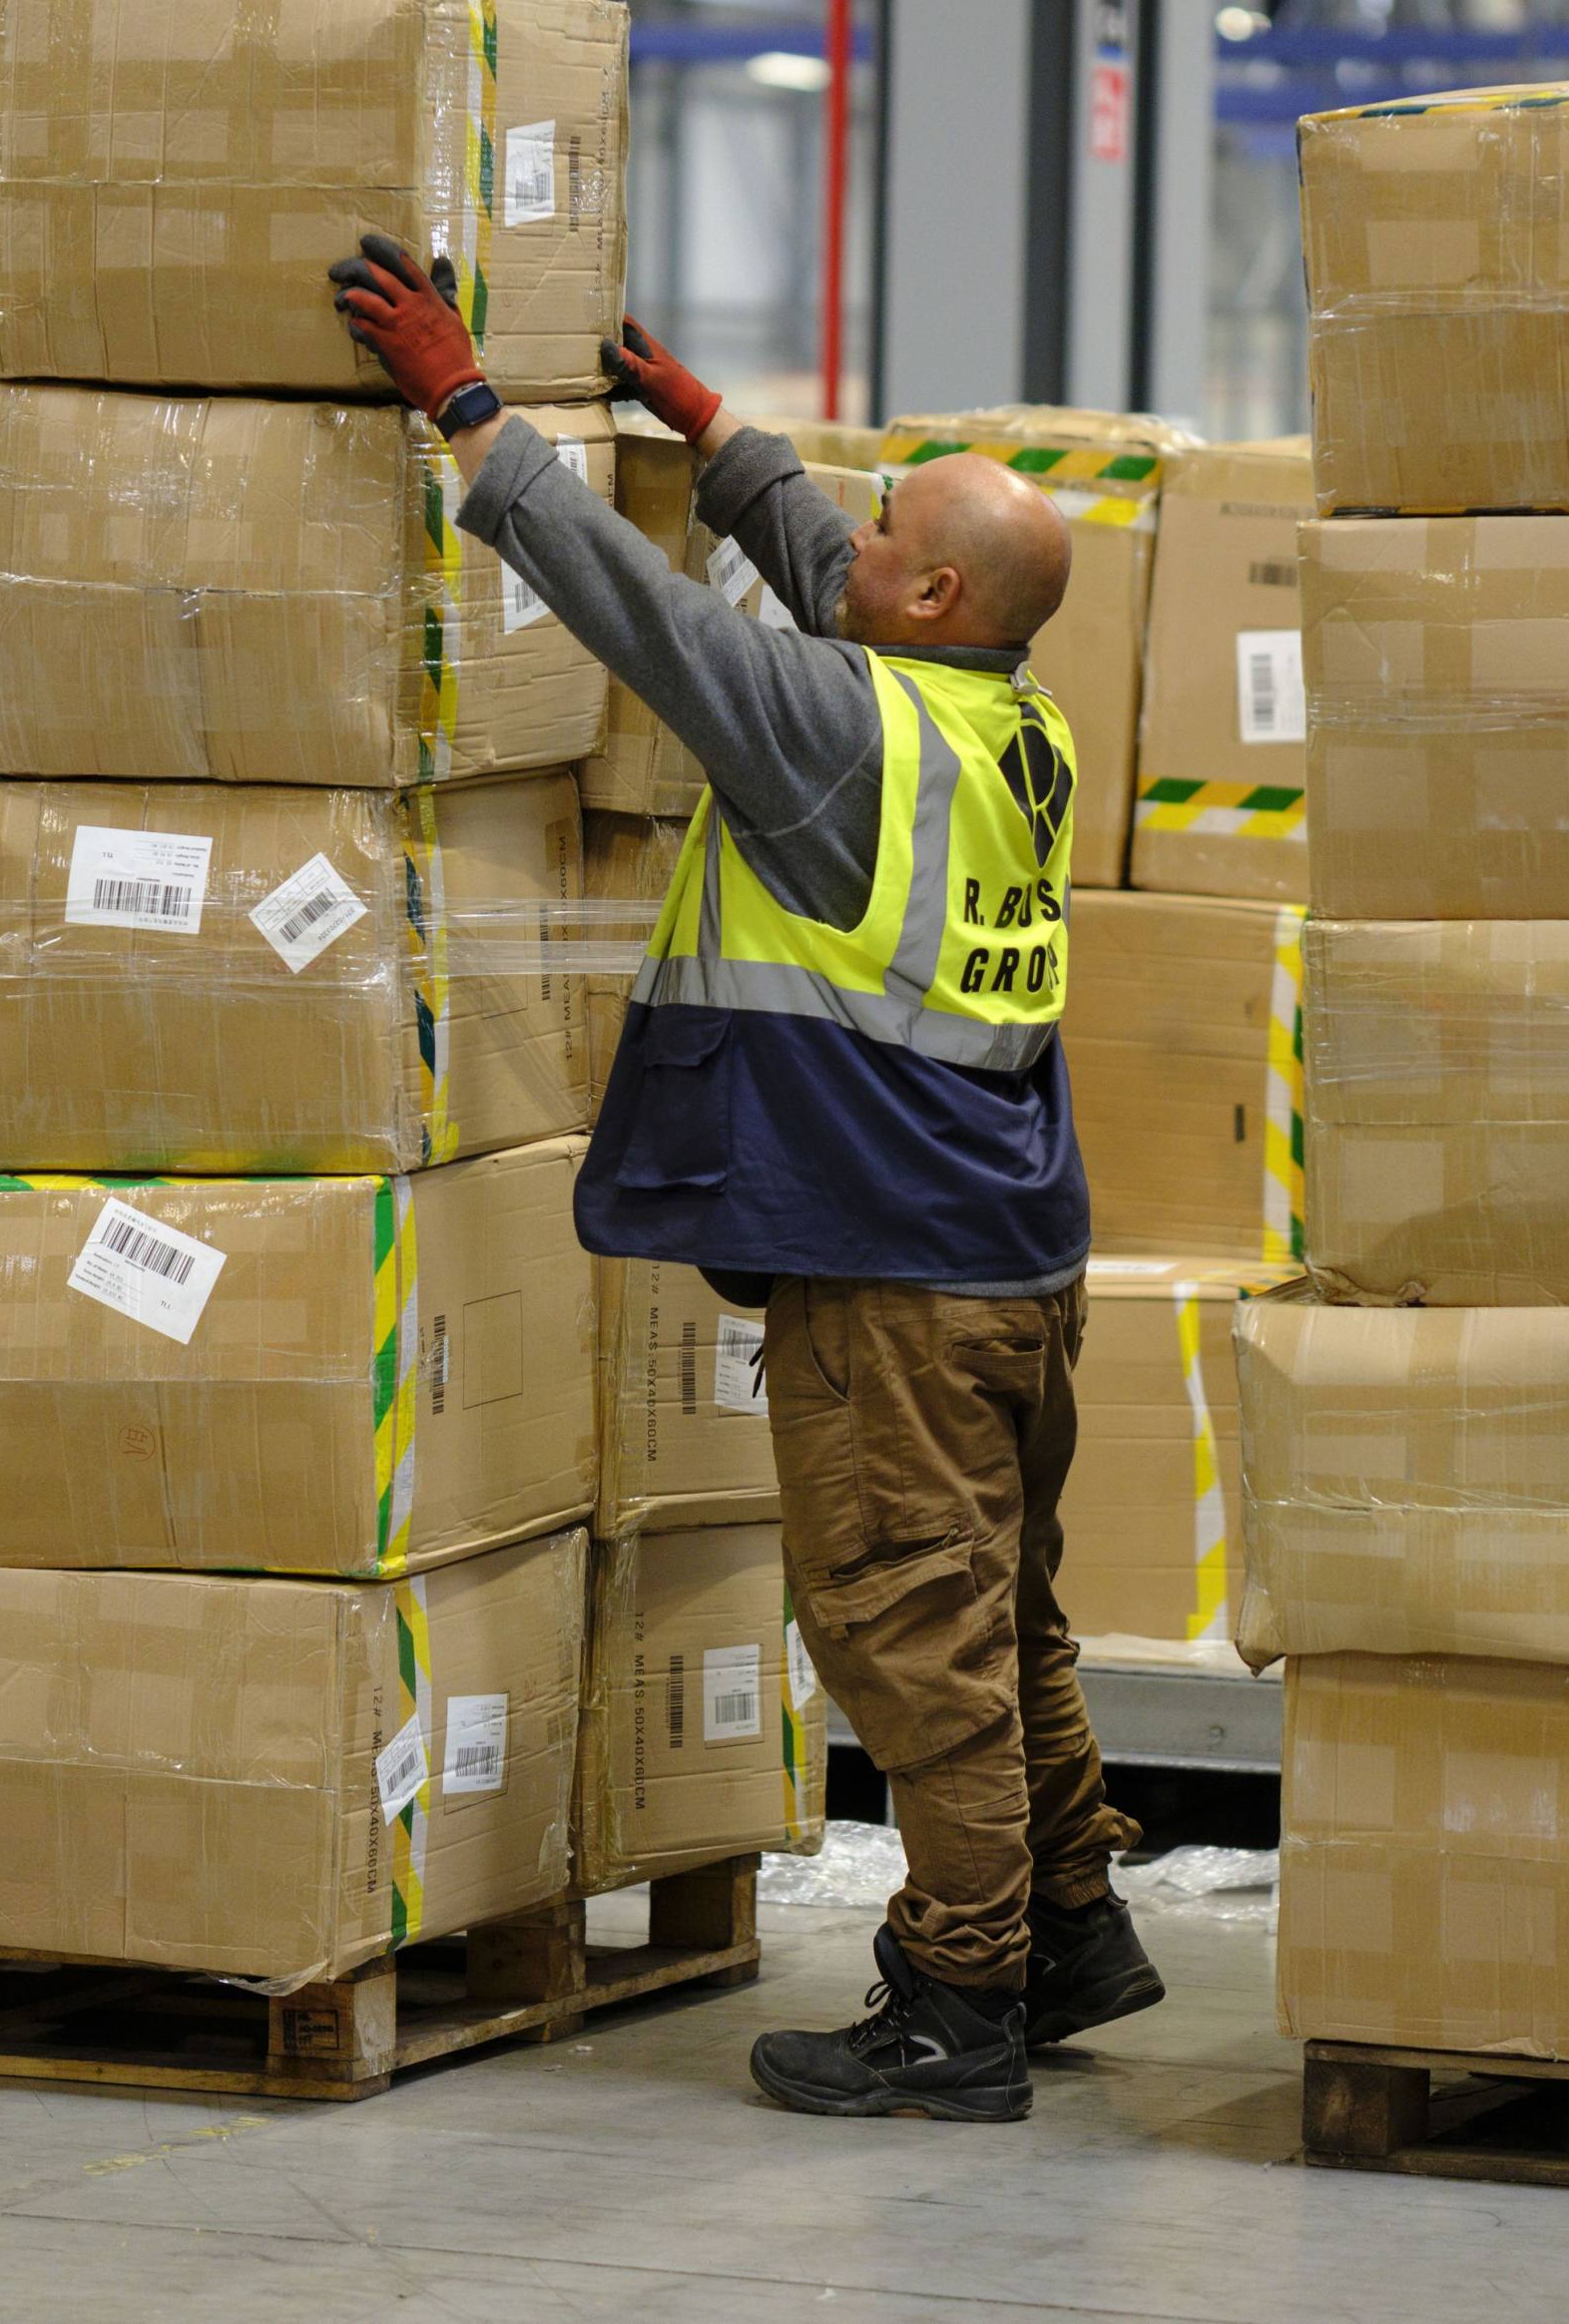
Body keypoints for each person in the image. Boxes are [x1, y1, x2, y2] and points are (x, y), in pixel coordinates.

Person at [335, 236, 1159, 2124]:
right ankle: (1076, 1920)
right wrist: (717, 435)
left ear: (933, 589)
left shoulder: (839, 733)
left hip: (896, 1275)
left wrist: (474, 409)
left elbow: (654, 625)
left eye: (881, 541)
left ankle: (959, 2003)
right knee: (1006, 1608)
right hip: (1016, 1255)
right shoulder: (1003, 717)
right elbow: (821, 586)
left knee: (906, 1629)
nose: (843, 554)